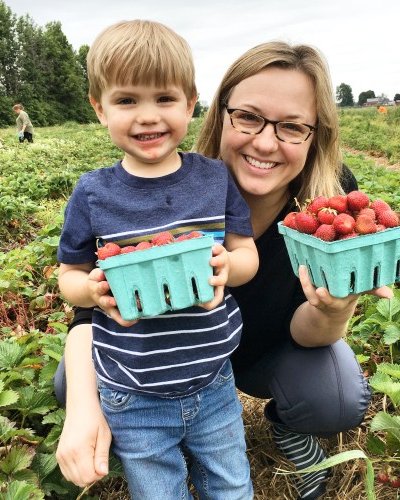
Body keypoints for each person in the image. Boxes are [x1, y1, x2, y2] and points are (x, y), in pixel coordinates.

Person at [54, 39, 394, 499]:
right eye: (249, 117)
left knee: (334, 396)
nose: (266, 141)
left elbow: (304, 327)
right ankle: (147, 437)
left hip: (242, 357)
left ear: (317, 134)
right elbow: (85, 301)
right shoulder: (153, 188)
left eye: (292, 126)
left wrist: (334, 307)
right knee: (72, 382)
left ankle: (285, 426)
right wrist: (82, 407)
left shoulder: (327, 205)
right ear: (220, 113)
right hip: (152, 355)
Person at [56, 20, 258, 500]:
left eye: (164, 99)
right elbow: (70, 276)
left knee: (232, 487)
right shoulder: (92, 193)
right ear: (99, 109)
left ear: (190, 103)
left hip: (213, 380)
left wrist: (230, 267)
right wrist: (92, 290)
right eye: (127, 100)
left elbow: (246, 252)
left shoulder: (214, 179)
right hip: (132, 390)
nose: (148, 116)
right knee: (158, 492)